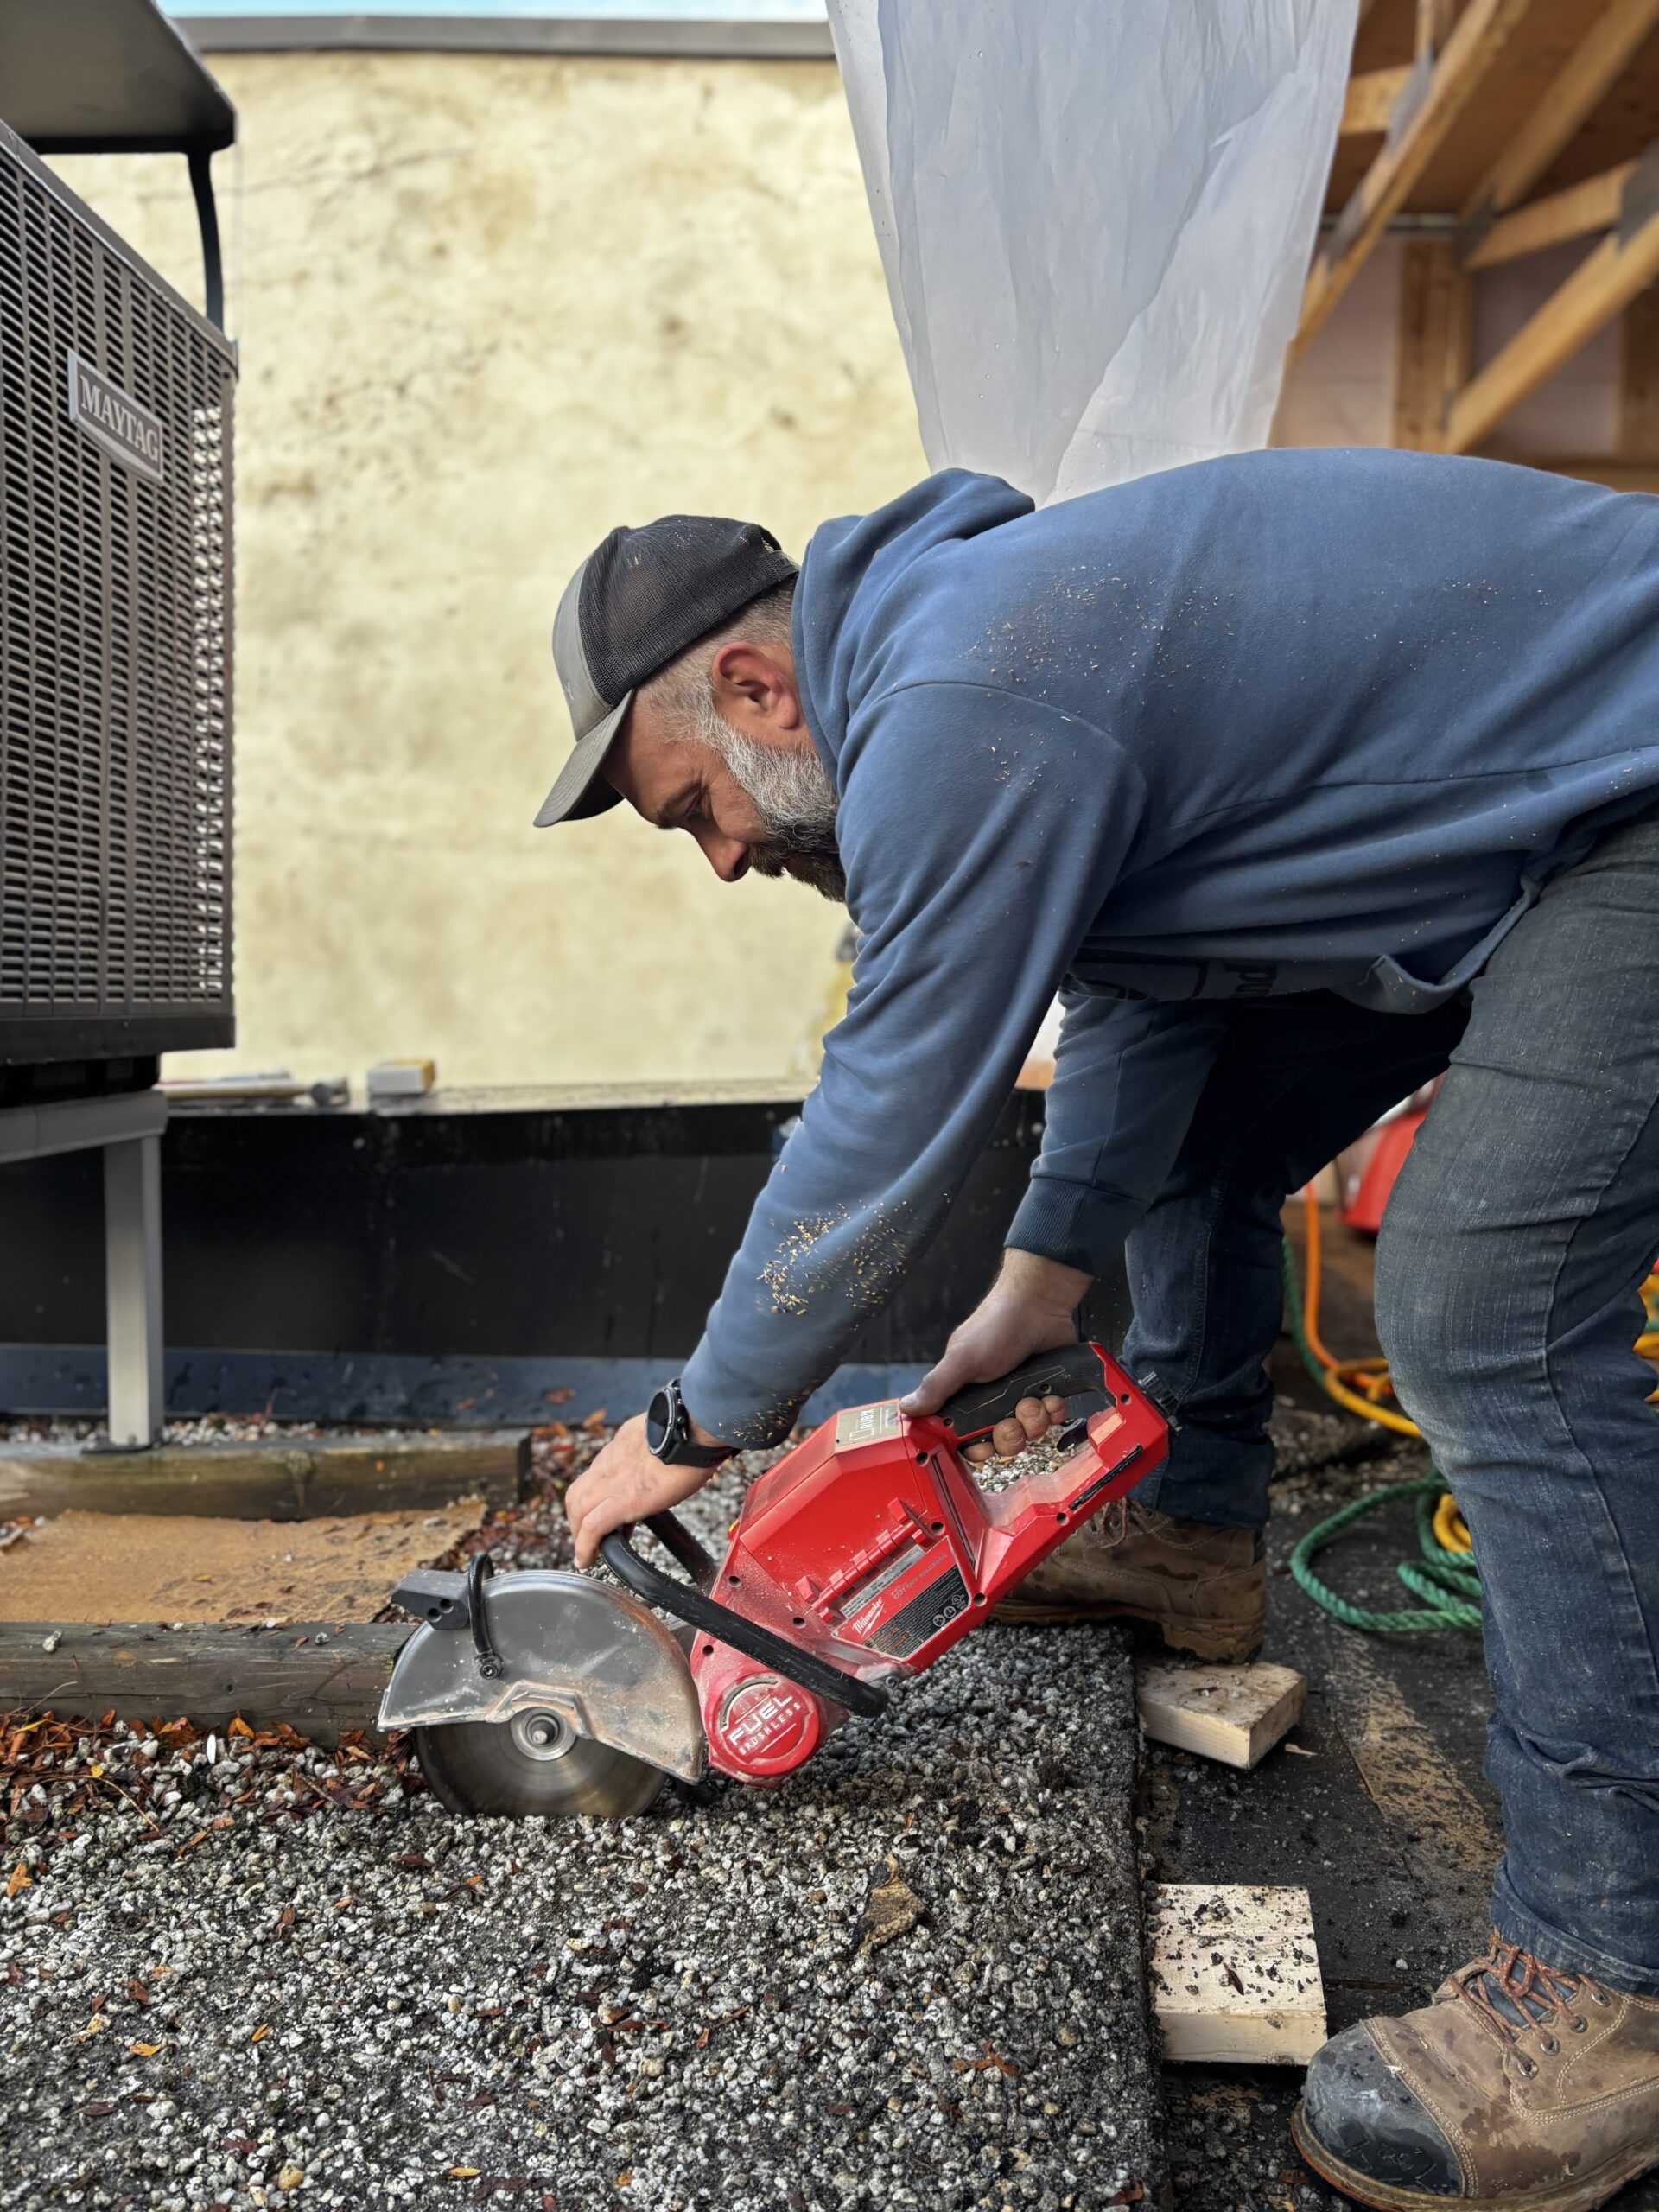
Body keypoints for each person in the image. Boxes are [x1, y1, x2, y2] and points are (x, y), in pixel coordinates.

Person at [541, 450, 1659, 2211]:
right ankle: (1196, 1541)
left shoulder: (962, 695)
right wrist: (1037, 1286)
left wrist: (687, 1423)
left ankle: (1614, 1972)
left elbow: (888, 1110)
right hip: (1544, 837)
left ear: (759, 688)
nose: (725, 859)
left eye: (690, 808)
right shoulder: (979, 662)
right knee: (1198, 1143)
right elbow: (1151, 992)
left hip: (1633, 805)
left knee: (1487, 1304)